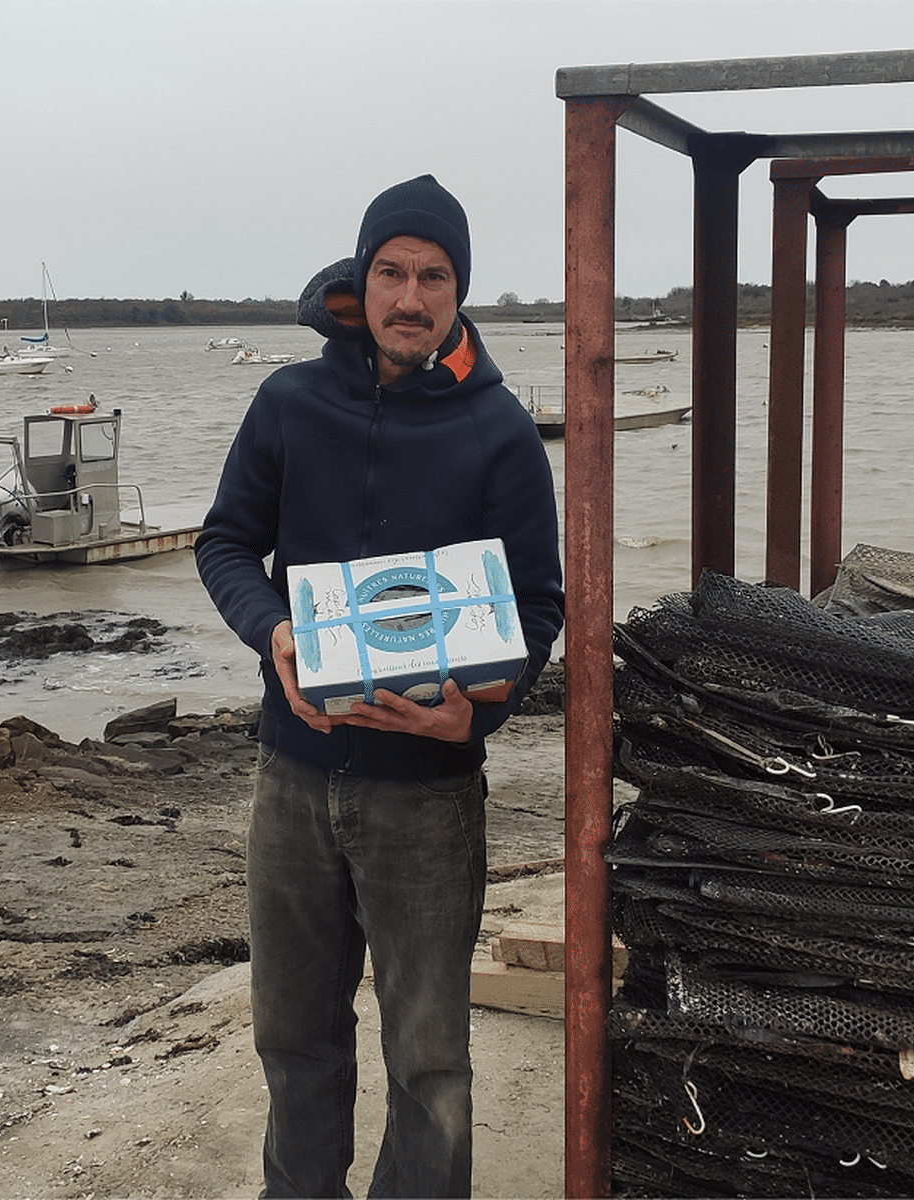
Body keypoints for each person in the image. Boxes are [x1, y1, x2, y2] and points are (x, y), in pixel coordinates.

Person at [195, 174, 564, 1198]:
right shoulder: (289, 401)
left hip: (429, 794)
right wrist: (270, 631)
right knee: (294, 1038)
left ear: (459, 291)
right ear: (361, 281)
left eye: (434, 276)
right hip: (292, 777)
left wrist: (476, 710)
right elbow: (225, 543)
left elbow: (536, 606)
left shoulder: (498, 429)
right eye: (393, 271)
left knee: (431, 1058)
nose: (411, 295)